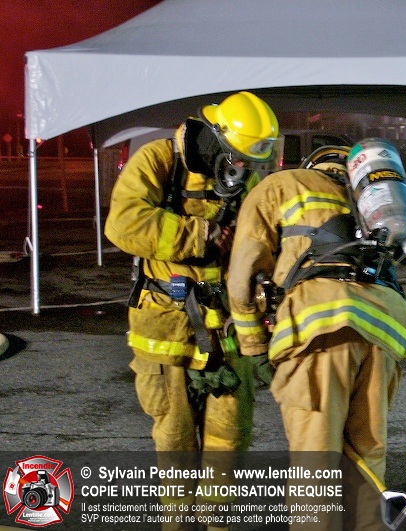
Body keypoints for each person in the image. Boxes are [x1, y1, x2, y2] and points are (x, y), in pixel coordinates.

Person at [104, 91, 280, 531]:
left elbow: (260, 245)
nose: (243, 168)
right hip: (167, 331)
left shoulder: (244, 179)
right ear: (215, 139)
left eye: (251, 162)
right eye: (237, 157)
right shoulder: (159, 160)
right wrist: (203, 235)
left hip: (227, 335)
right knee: (176, 443)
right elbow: (124, 223)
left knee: (229, 443)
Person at [225, 144, 406, 529]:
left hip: (319, 325)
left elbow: (243, 275)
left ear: (313, 164)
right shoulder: (369, 203)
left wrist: (255, 348)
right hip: (386, 328)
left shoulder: (281, 184)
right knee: (367, 454)